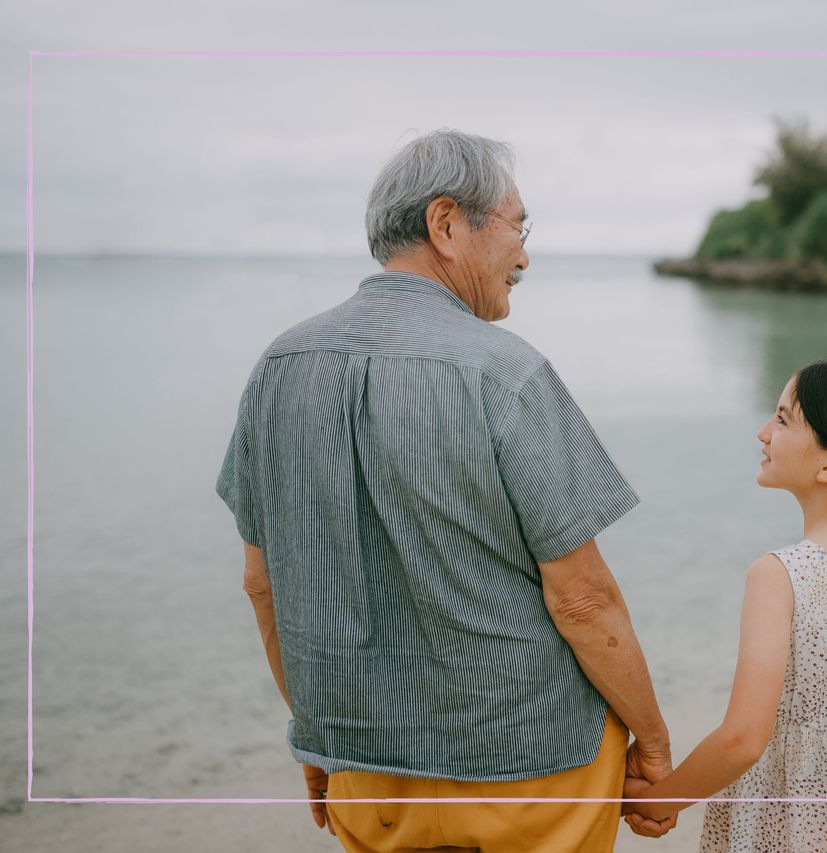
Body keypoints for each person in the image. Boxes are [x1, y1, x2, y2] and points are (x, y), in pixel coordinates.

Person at [217, 129, 674, 852]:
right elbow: (583, 599)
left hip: (370, 779)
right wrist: (652, 742)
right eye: (518, 227)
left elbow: (262, 583)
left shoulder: (280, 366)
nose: (524, 255)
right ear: (446, 223)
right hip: (534, 772)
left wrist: (320, 737)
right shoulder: (506, 372)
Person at [622, 357, 827, 852]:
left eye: (784, 420)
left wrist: (660, 803)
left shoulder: (780, 575)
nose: (764, 433)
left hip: (782, 832)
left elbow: (742, 739)